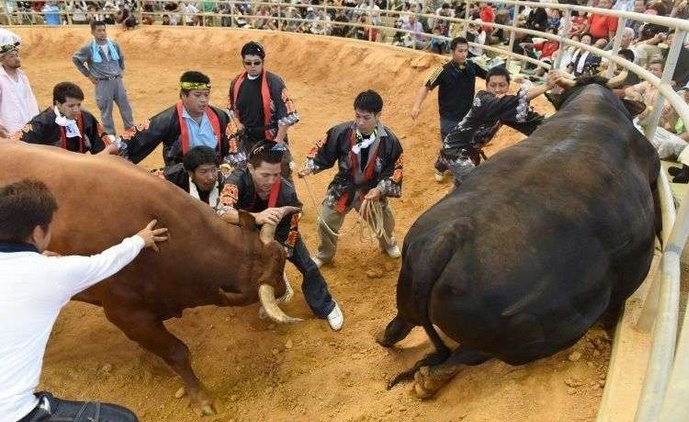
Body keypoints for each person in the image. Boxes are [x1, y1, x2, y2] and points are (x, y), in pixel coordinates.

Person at [0, 179, 168, 422]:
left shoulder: (44, 269)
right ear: (38, 232)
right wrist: (140, 239)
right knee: (123, 419)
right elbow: (104, 262)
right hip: (13, 412)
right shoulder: (53, 273)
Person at [217, 140, 344, 330]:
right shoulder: (236, 180)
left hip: (281, 229)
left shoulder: (286, 191)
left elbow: (291, 230)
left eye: (276, 175)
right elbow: (222, 211)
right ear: (251, 168)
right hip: (244, 229)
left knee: (307, 266)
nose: (271, 181)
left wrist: (279, 253)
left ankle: (326, 306)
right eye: (265, 175)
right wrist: (257, 217)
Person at [297, 90, 403, 267]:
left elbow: (395, 170)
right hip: (343, 186)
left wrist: (379, 189)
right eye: (357, 116)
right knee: (326, 222)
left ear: (378, 116)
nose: (360, 122)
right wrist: (309, 167)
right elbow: (323, 151)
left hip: (371, 191)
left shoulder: (390, 141)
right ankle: (325, 254)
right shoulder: (341, 132)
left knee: (384, 223)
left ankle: (388, 244)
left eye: (366, 117)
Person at [439, 66, 559, 187]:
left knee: (459, 188)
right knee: (479, 188)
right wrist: (546, 87)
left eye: (502, 85)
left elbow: (532, 120)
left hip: (471, 154)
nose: (497, 90)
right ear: (487, 86)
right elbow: (513, 101)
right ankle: (440, 166)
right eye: (493, 85)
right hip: (455, 151)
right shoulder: (483, 99)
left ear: (508, 86)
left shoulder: (505, 110)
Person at [121, 71, 233, 172]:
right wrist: (115, 147)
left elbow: (234, 147)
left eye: (206, 95)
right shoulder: (168, 119)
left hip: (213, 175)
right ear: (183, 95)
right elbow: (139, 136)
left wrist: (225, 168)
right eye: (197, 95)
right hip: (182, 177)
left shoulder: (220, 117)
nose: (203, 100)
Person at [410, 37, 487, 182]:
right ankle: (441, 165)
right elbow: (426, 86)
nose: (464, 54)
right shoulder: (442, 70)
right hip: (449, 117)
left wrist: (509, 78)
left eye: (466, 51)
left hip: (468, 116)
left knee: (470, 142)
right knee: (450, 145)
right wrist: (416, 106)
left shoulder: (472, 66)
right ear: (452, 52)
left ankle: (464, 167)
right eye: (460, 51)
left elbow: (489, 75)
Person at [227, 41, 299, 178]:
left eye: (256, 62)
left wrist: (278, 140)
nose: (252, 67)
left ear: (263, 62)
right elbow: (231, 107)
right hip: (247, 138)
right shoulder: (236, 82)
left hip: (271, 137)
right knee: (247, 173)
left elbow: (287, 113)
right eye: (248, 63)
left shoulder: (274, 82)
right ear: (243, 62)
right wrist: (238, 124)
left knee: (280, 174)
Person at [72, 20, 135, 136]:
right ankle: (111, 138)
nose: (102, 33)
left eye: (104, 30)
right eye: (99, 31)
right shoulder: (88, 48)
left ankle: (130, 133)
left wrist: (120, 70)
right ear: (92, 32)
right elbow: (76, 59)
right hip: (102, 83)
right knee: (106, 112)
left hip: (117, 81)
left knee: (126, 108)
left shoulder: (114, 45)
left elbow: (121, 57)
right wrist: (89, 75)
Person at [17, 82, 114, 154]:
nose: (76, 110)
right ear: (58, 103)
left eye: (79, 105)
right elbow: (16, 145)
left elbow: (103, 147)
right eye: (71, 106)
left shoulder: (86, 118)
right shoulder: (41, 122)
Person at [0, 31, 39, 138]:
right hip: (11, 131)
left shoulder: (22, 76)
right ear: (2, 59)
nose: (17, 58)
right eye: (11, 56)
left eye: (17, 55)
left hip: (31, 127)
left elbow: (31, 98)